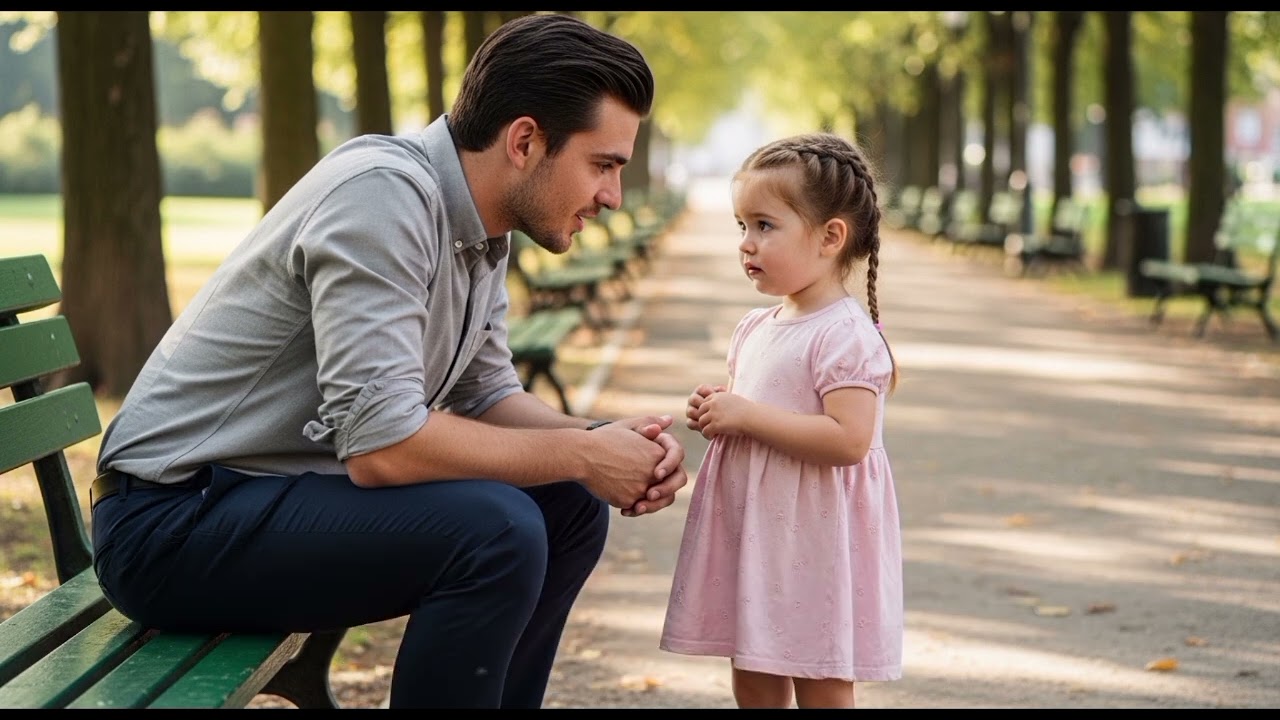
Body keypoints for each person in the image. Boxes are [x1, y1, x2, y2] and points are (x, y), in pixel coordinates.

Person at [90, 13, 689, 709]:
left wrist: (602, 444)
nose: (612, 195)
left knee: (567, 505)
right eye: (604, 165)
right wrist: (583, 455)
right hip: (171, 522)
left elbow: (484, 390)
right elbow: (383, 447)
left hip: (259, 499)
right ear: (525, 140)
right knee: (499, 529)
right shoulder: (383, 196)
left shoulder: (480, 225)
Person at [658, 132, 903, 709]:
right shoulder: (755, 327)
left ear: (830, 237)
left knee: (818, 674)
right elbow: (762, 409)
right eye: (740, 226)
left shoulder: (845, 335)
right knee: (753, 665)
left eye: (765, 226)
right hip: (758, 531)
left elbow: (849, 439)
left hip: (814, 536)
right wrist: (722, 409)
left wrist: (749, 414)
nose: (747, 244)